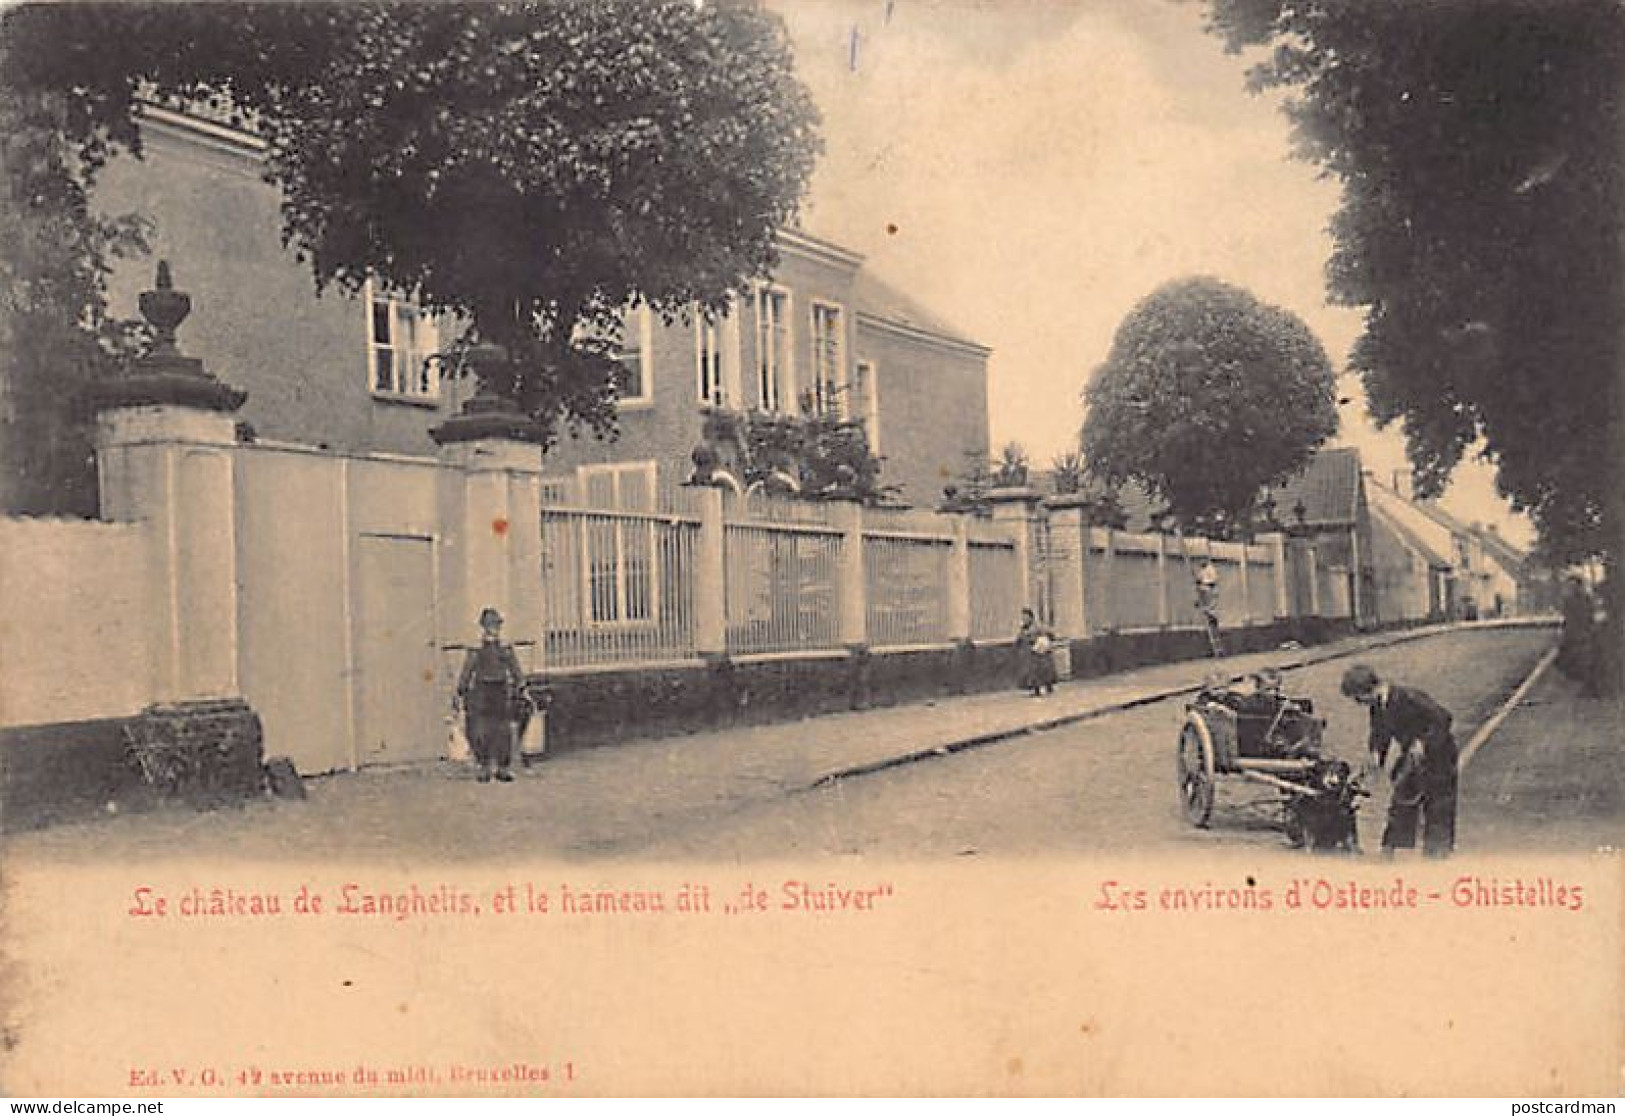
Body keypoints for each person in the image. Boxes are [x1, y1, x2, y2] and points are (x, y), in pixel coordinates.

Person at [1339, 663, 1458, 857]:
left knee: (1438, 804)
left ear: (1371, 689)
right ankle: (1392, 847)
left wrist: (1424, 742)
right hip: (1411, 754)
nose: (1359, 704)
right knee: (1402, 796)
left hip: (1440, 754)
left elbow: (1443, 718)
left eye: (1359, 699)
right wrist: (1376, 755)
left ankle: (1438, 853)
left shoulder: (1408, 696)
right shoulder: (1377, 705)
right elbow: (1379, 733)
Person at [455, 607, 526, 783]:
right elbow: (468, 668)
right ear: (483, 626)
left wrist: (520, 683)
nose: (493, 628)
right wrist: (461, 687)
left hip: (501, 689)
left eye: (496, 624)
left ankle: (503, 767)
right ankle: (484, 766)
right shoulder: (477, 647)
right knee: (482, 729)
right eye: (490, 624)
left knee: (503, 729)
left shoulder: (504, 646)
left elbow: (514, 666)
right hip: (482, 690)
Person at [1016, 607, 1056, 697]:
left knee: (1042, 671)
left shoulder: (1038, 626)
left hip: (1040, 654)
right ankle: (1036, 690)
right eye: (1023, 618)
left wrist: (1042, 640)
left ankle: (1047, 687)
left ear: (1031, 617)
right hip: (1029, 655)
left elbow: (1050, 634)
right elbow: (1019, 639)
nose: (1024, 620)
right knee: (1033, 673)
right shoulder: (1023, 628)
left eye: (1026, 617)